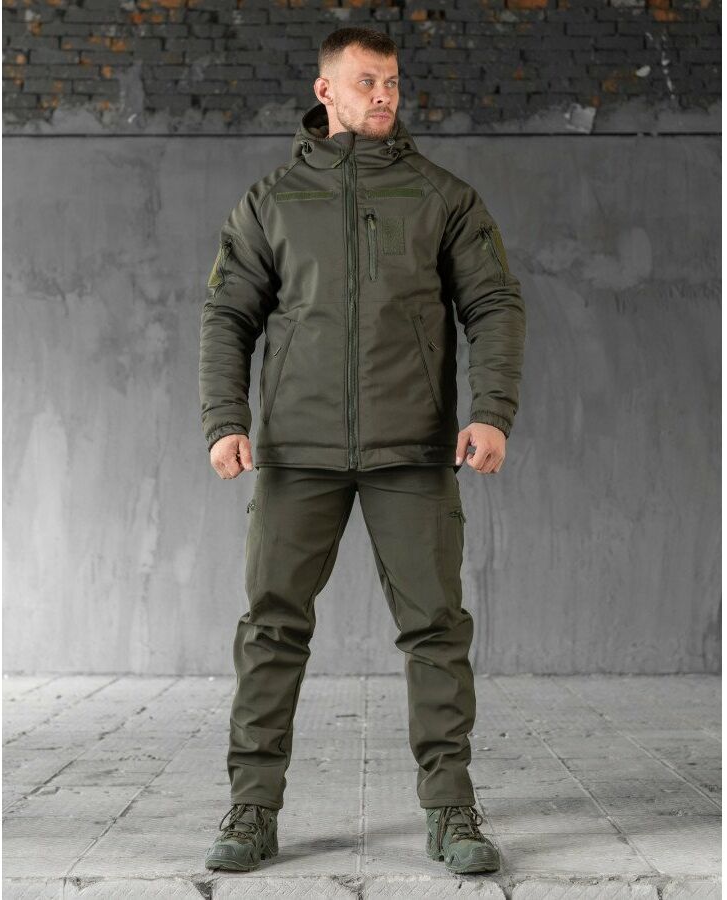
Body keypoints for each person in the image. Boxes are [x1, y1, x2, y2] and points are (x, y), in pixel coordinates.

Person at [200, 26, 526, 877]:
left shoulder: (441, 197)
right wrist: (225, 419)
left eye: (392, 82)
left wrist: (491, 412)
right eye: (367, 81)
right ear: (326, 91)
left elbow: (494, 302)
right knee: (271, 628)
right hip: (296, 452)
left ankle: (451, 811)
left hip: (412, 450)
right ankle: (252, 809)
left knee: (436, 631)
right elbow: (228, 315)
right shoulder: (271, 202)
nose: (384, 95)